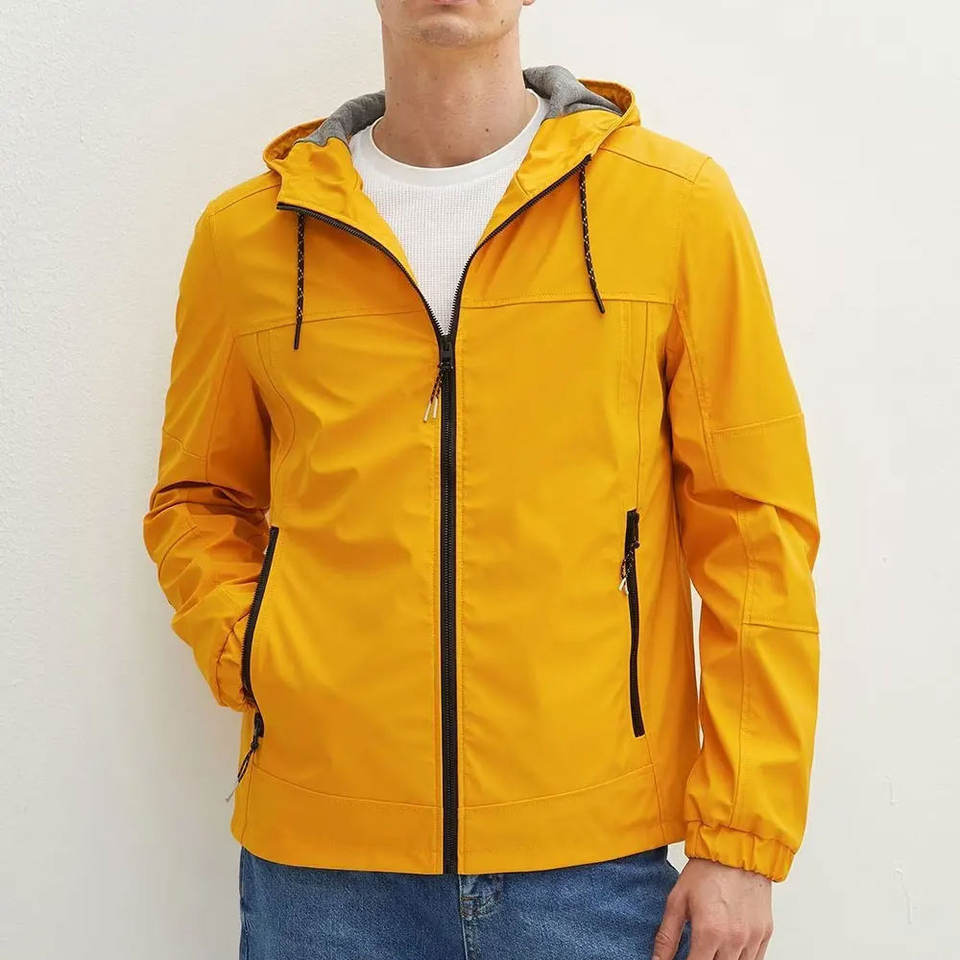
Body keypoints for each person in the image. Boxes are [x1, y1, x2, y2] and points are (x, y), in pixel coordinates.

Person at [143, 1, 820, 957]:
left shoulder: (673, 206)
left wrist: (743, 840)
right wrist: (257, 656)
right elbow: (197, 500)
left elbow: (756, 530)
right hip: (322, 875)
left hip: (591, 866)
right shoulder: (247, 236)